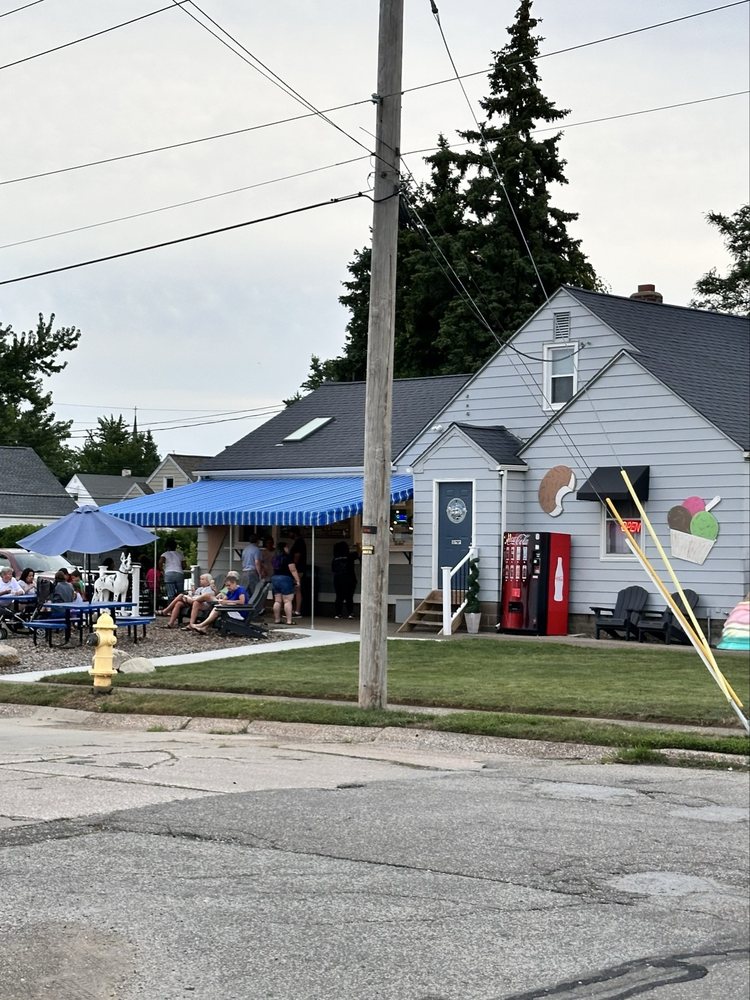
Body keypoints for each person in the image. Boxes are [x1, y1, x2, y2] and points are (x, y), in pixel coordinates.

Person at [270, 539, 300, 626]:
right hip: (285, 579)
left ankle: (277, 619)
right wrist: (297, 580)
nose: (288, 548)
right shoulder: (287, 557)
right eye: (287, 547)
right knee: (287, 601)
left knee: (277, 600)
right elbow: (293, 570)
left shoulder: (274, 558)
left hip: (275, 578)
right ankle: (289, 621)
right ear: (283, 548)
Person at [331, 541, 359, 619]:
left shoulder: (335, 558)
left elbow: (333, 569)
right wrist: (358, 546)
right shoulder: (350, 556)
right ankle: (350, 613)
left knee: (339, 597)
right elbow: (358, 554)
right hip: (350, 579)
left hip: (338, 579)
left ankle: (338, 613)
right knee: (349, 597)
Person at [288, 527, 307, 617]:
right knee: (296, 590)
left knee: (297, 589)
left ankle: (297, 611)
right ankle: (295, 610)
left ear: (294, 533)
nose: (289, 535)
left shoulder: (299, 543)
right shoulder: (299, 542)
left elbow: (297, 556)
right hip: (299, 569)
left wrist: (293, 566)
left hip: (298, 569)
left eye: (290, 533)